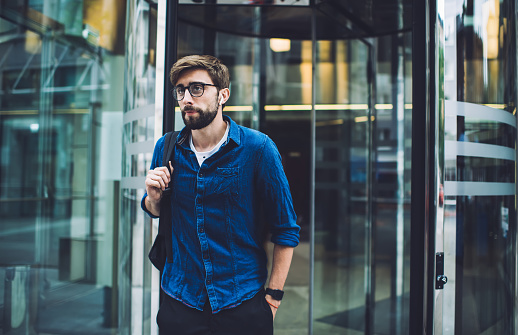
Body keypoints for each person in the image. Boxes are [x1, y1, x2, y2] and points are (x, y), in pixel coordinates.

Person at [142, 55, 300, 335]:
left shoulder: (258, 149)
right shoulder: (166, 148)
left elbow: (285, 229)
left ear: (223, 94)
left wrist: (272, 299)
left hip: (240, 304)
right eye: (180, 90)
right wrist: (153, 199)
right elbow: (155, 210)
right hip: (180, 303)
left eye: (197, 88)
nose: (187, 98)